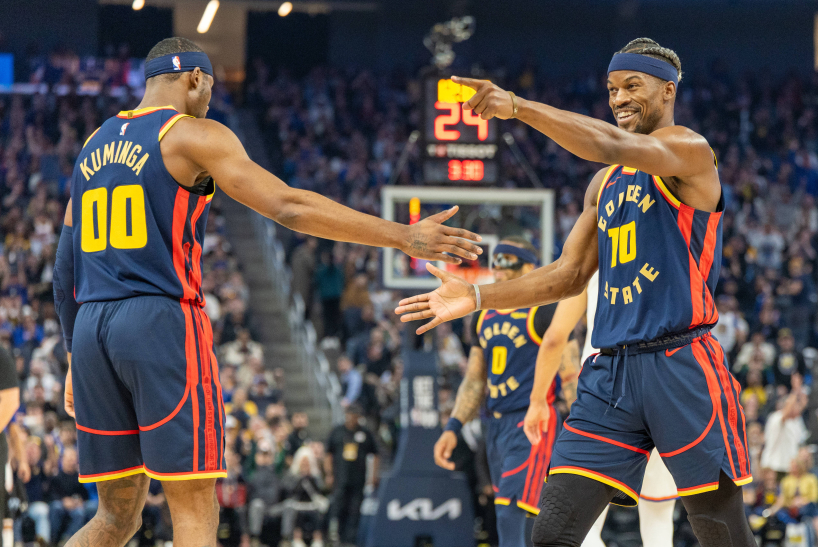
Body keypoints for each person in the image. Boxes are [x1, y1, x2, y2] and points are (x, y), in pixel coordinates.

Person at [52, 37, 482, 547]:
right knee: (194, 507)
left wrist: (72, 355)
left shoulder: (92, 144)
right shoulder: (192, 134)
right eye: (209, 87)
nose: (211, 99)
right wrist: (403, 235)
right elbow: (288, 207)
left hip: (92, 328)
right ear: (194, 79)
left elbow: (65, 263)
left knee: (116, 518)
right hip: (157, 320)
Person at [396, 38, 756, 545]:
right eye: (612, 89)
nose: (619, 98)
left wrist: (518, 107)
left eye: (633, 86)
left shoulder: (690, 152)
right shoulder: (603, 185)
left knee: (720, 530)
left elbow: (611, 143)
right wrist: (477, 298)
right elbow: (567, 275)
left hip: (682, 364)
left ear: (668, 91)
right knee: (552, 533)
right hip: (610, 376)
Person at [433, 237, 568, 546]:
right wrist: (454, 426)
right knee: (508, 511)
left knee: (512, 513)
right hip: (494, 424)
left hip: (532, 420)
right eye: (495, 263)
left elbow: (571, 370)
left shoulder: (545, 311)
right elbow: (475, 379)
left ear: (530, 268)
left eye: (508, 262)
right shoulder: (483, 314)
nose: (498, 269)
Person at [533, 272, 678, 547]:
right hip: (663, 382)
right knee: (659, 521)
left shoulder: (597, 254)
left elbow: (555, 337)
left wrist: (538, 400)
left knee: (583, 525)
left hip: (607, 388)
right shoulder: (669, 244)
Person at [324, 404, 378, 546]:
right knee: (338, 507)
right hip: (340, 478)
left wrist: (374, 474)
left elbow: (375, 454)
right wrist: (329, 473)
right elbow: (328, 454)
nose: (353, 418)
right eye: (351, 415)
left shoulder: (365, 433)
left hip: (358, 479)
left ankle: (350, 540)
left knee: (355, 510)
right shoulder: (337, 431)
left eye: (356, 415)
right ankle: (337, 537)